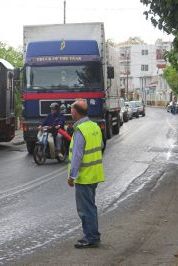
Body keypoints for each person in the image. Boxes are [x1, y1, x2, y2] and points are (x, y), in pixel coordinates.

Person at [67, 98, 105, 248]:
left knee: (85, 209)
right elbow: (100, 145)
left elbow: (77, 156)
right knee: (91, 206)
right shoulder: (94, 126)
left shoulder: (80, 130)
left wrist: (72, 176)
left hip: (84, 176)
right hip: (95, 174)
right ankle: (93, 235)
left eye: (71, 110)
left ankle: (91, 237)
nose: (70, 112)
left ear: (75, 112)